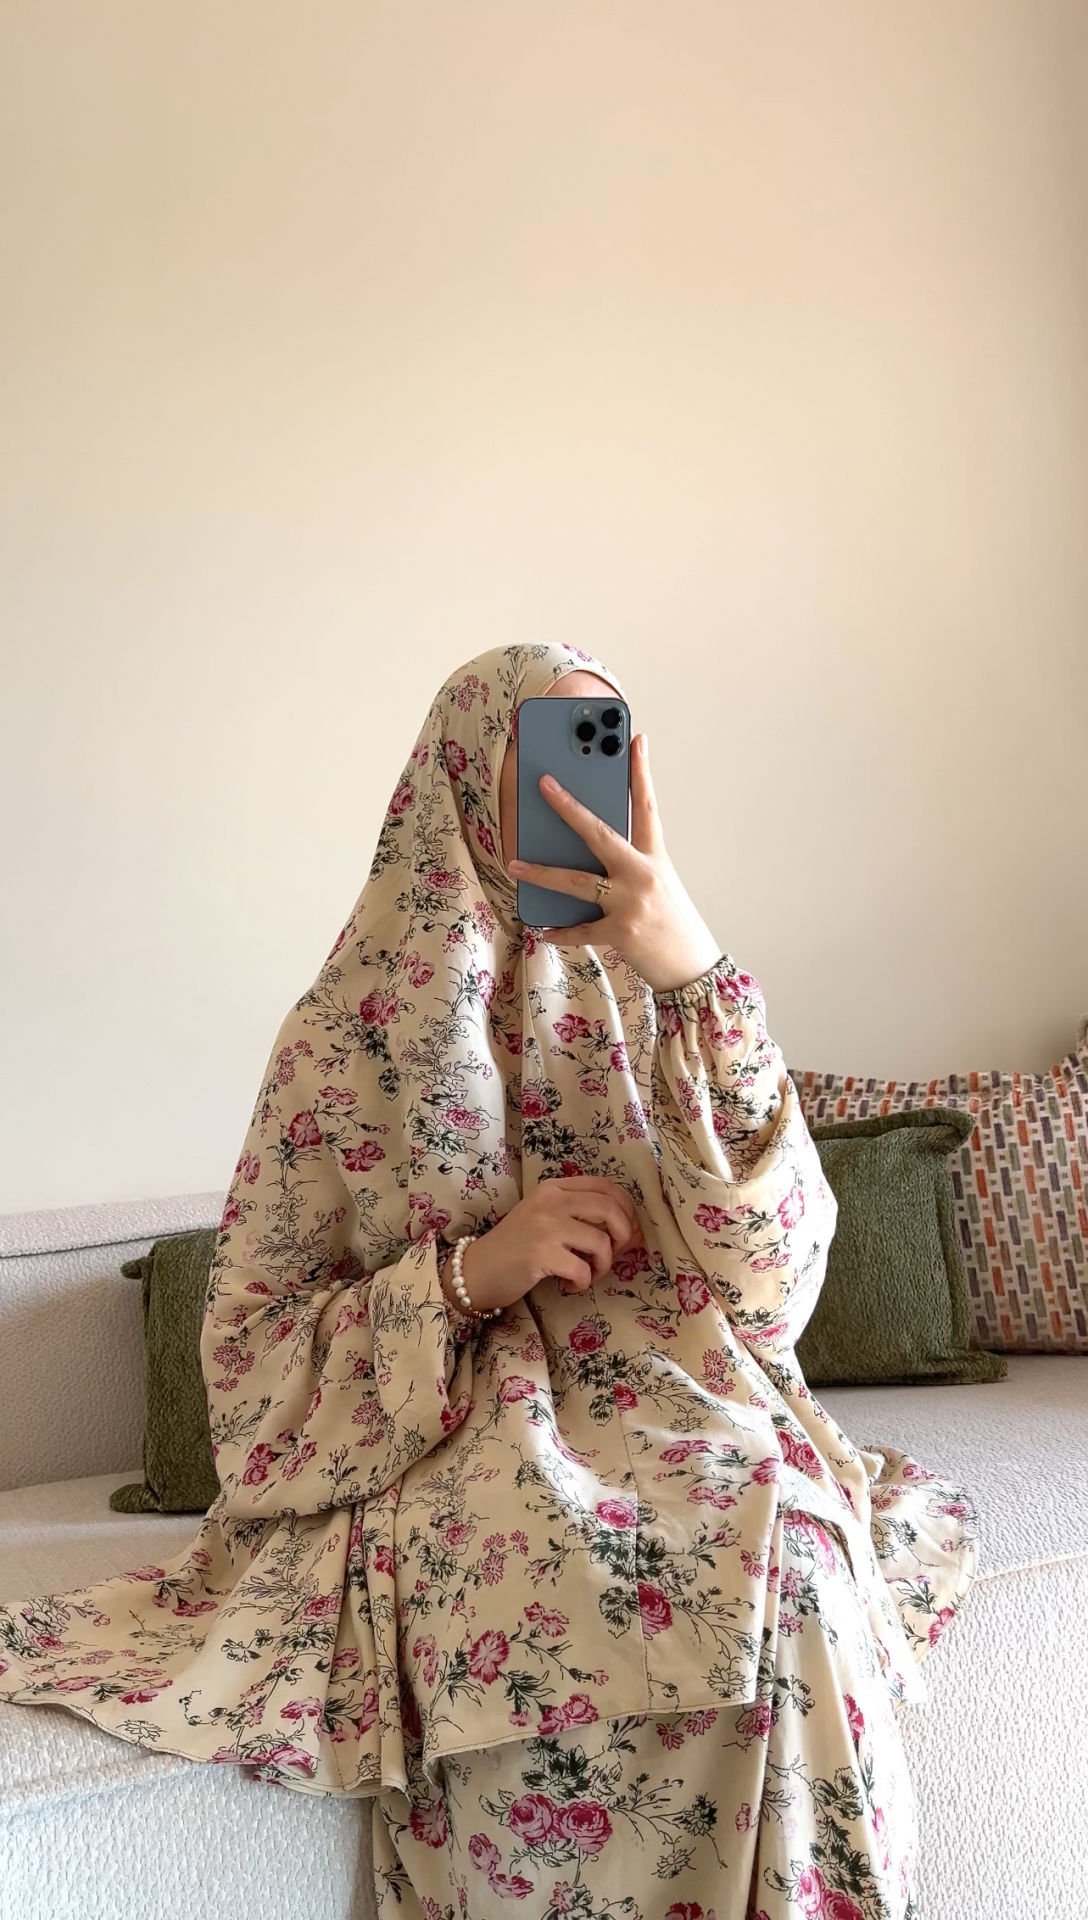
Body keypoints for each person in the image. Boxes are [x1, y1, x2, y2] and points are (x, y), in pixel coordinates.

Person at [0, 642, 981, 1920]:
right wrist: (471, 1273)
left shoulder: (663, 995)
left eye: (603, 753)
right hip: (440, 1446)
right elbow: (248, 1365)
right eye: (547, 761)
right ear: (463, 777)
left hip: (675, 1398)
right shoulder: (344, 1032)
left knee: (785, 1550)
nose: (579, 794)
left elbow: (772, 1288)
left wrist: (697, 975)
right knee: (568, 1567)